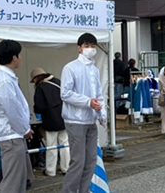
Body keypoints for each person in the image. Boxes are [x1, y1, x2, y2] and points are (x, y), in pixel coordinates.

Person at [60, 33, 107, 193]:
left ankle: (84, 190)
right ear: (79, 48)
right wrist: (88, 102)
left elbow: (99, 95)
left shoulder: (94, 69)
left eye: (93, 46)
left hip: (91, 120)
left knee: (91, 161)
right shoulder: (70, 67)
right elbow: (65, 93)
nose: (90, 49)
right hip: (75, 120)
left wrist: (102, 114)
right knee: (78, 161)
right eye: (87, 45)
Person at [0, 40, 34, 193]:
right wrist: (25, 129)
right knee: (13, 181)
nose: (20, 58)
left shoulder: (4, 77)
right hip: (11, 135)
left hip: (12, 134)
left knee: (19, 179)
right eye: (19, 55)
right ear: (14, 57)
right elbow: (12, 111)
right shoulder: (5, 81)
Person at [30, 67, 70, 176]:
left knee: (51, 145)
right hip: (64, 117)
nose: (33, 82)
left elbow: (40, 107)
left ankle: (51, 170)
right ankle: (66, 168)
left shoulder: (41, 87)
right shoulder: (58, 82)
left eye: (33, 80)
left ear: (37, 78)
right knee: (65, 144)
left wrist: (35, 109)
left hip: (50, 120)